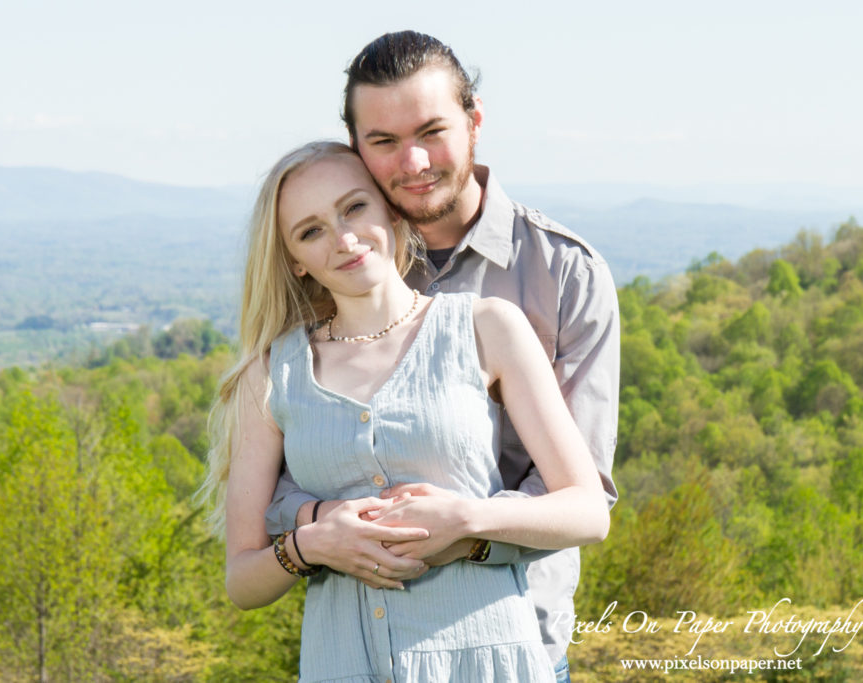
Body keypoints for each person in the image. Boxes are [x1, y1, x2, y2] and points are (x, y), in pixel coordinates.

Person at [265, 31, 621, 682]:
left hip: (516, 641)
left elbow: (579, 490)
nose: (415, 160)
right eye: (385, 142)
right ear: (357, 150)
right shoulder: (332, 274)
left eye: (432, 130)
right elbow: (281, 476)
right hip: (359, 645)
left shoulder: (563, 273)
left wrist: (463, 529)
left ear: (475, 121)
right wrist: (322, 523)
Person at [201, 140, 609, 682]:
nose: (344, 239)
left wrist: (468, 518)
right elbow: (242, 581)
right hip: (342, 667)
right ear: (294, 262)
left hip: (488, 662)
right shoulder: (273, 372)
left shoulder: (488, 327)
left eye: (354, 208)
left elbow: (587, 511)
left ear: (390, 211)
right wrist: (311, 545)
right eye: (311, 231)